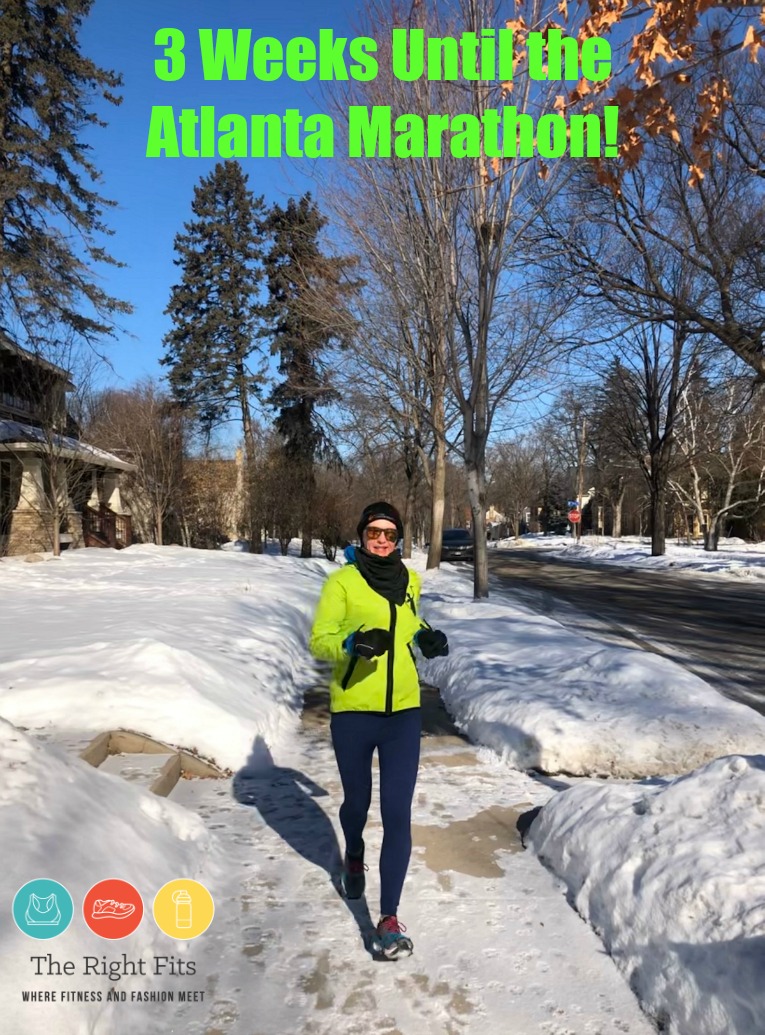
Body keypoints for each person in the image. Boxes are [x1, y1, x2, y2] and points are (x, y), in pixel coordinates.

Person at [309, 501, 449, 959]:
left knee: (397, 814)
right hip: (354, 711)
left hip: (403, 712)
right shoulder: (342, 582)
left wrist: (424, 636)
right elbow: (320, 640)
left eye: (390, 534)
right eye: (375, 533)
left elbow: (408, 623)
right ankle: (353, 854)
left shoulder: (409, 580)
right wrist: (351, 644)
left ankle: (388, 920)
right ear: (362, 535)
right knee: (357, 804)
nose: (383, 541)